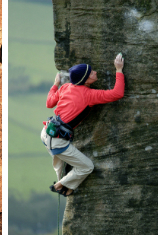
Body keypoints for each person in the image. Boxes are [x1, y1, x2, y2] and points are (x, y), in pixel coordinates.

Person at [41, 53, 125, 196]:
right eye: (91, 72)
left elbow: (49, 103)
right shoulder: (89, 95)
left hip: (46, 133)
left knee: (60, 161)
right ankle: (60, 185)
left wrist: (55, 84)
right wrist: (119, 70)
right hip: (58, 141)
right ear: (86, 80)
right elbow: (117, 93)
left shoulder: (66, 87)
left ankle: (63, 182)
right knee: (87, 167)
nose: (95, 72)